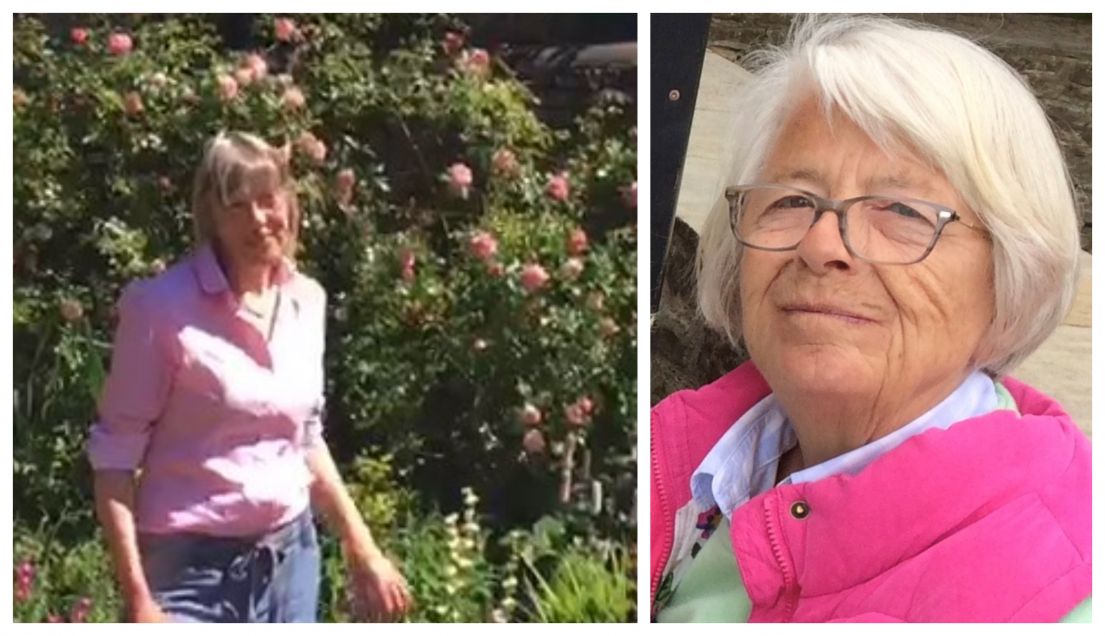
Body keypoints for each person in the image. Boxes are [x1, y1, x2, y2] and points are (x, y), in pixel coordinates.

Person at [650, 15, 1090, 622]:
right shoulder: (678, 452)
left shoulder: (1067, 601)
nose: (821, 243)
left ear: (1011, 273)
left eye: (903, 211)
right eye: (792, 199)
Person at [89, 131, 412, 623]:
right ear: (211, 216)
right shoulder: (160, 309)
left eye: (267, 200)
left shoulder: (307, 300)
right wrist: (138, 601)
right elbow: (114, 457)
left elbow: (304, 438)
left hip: (291, 563)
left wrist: (361, 548)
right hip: (190, 574)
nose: (258, 220)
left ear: (289, 202)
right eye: (237, 206)